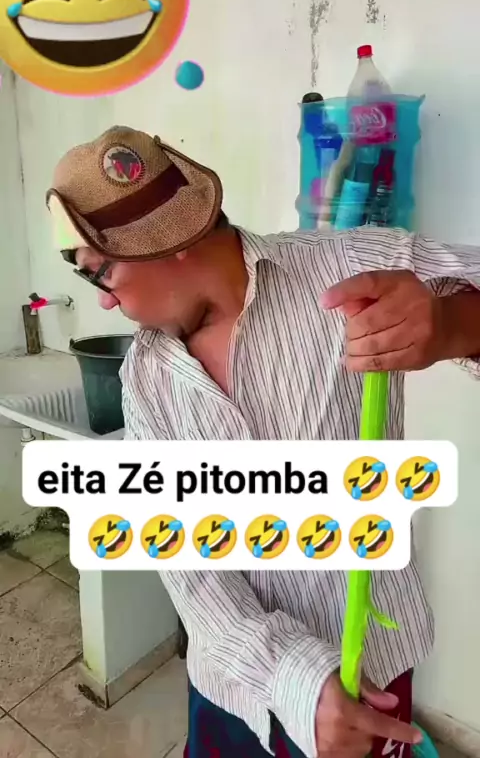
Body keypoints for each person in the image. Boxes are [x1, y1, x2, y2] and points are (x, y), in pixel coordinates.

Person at [47, 126, 480, 758]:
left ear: (167, 239)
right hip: (236, 683)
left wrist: (452, 326)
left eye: (101, 273)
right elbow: (186, 564)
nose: (107, 304)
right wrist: (293, 679)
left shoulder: (348, 269)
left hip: (370, 670)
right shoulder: (145, 380)